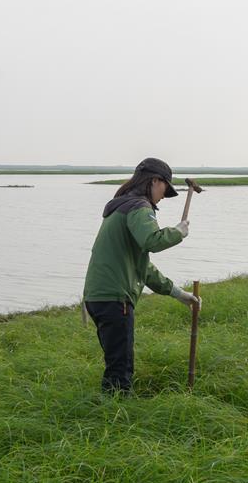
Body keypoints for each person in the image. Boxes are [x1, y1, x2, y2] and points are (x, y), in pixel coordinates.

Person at [83, 157, 200, 394]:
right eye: (164, 189)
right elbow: (151, 241)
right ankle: (114, 420)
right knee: (120, 369)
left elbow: (142, 267)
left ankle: (108, 412)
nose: (162, 197)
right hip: (115, 298)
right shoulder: (139, 207)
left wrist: (178, 294)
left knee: (116, 362)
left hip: (99, 297)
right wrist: (177, 233)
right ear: (155, 181)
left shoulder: (120, 206)